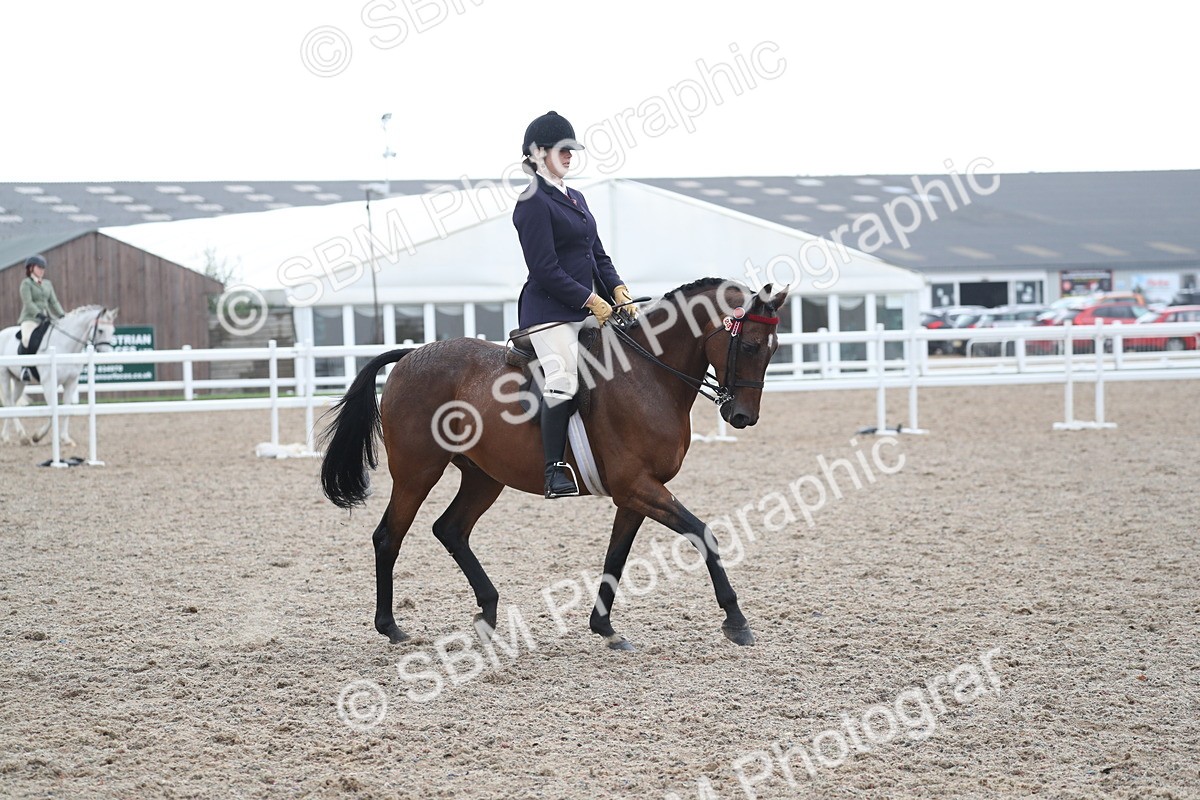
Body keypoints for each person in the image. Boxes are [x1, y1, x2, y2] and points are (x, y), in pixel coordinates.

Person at [512, 110, 638, 499]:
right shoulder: (532, 201)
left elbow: (595, 255)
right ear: (539, 154)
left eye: (572, 150)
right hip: (548, 314)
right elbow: (546, 269)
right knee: (563, 375)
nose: (570, 156)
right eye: (563, 150)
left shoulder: (576, 197)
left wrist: (617, 289)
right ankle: (554, 470)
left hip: (587, 308)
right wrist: (590, 299)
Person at [17, 254, 66, 381]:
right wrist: (38, 314)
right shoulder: (26, 283)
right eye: (39, 267)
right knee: (27, 339)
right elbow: (28, 303)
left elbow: (53, 301)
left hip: (47, 317)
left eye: (43, 268)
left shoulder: (47, 284)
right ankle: (25, 368)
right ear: (31, 268)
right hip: (30, 318)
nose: (42, 270)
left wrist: (62, 314)